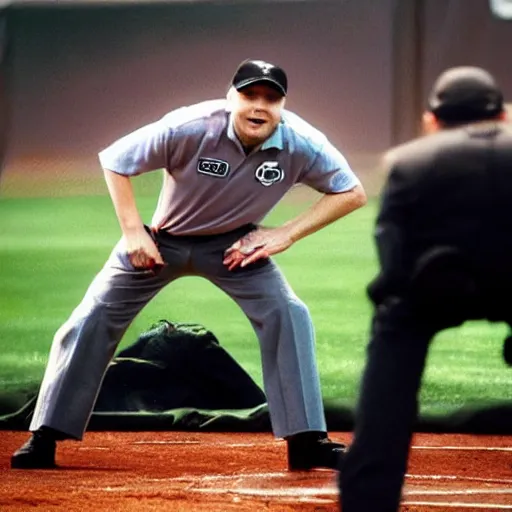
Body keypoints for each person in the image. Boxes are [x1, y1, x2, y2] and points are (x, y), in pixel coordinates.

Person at [11, 59, 367, 470]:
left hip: (236, 248)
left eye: (271, 98)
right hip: (162, 243)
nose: (259, 106)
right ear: (231, 97)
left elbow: (351, 192)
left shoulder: (303, 143)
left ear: (283, 104)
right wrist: (132, 233)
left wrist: (286, 232)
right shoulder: (190, 126)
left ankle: (307, 440)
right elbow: (114, 158)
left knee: (289, 313)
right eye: (250, 95)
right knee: (92, 315)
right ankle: (45, 436)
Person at [339, 66, 511, 511]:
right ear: (504, 115)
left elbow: (393, 259)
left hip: (438, 286)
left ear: (432, 120)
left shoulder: (407, 162)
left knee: (394, 332)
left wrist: (400, 306)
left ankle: (369, 495)